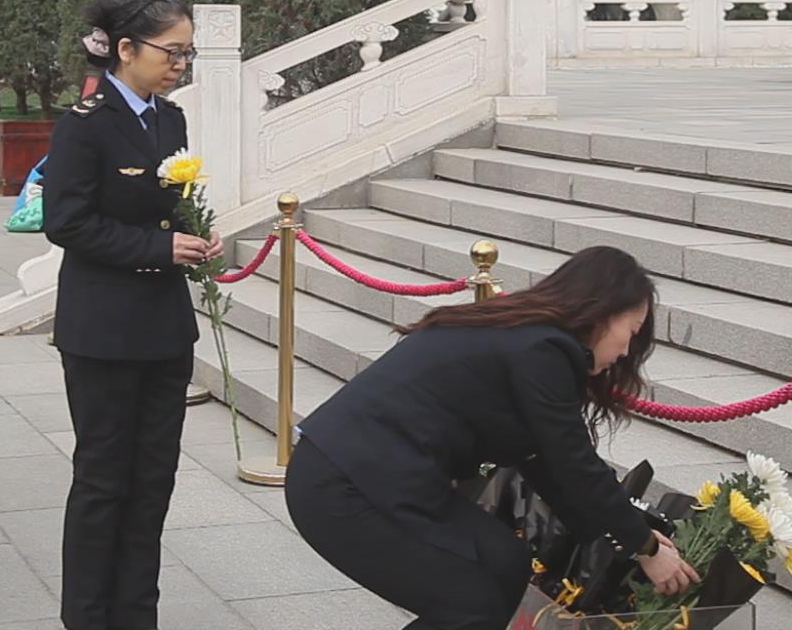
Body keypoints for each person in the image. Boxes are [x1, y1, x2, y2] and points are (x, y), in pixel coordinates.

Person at [285, 247, 699, 630]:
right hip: (344, 483)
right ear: (603, 312)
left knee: (505, 561)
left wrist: (628, 537)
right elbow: (573, 462)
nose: (627, 351)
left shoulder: (528, 337)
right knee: (470, 604)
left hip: (386, 475)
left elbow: (548, 466)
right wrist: (645, 548)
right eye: (632, 330)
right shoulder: (542, 350)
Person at [45, 0, 221, 630]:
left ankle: (137, 613)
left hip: (163, 327)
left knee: (153, 479)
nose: (179, 64)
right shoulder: (84, 124)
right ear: (125, 49)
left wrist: (196, 235)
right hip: (103, 329)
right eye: (170, 52)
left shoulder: (168, 120)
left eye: (187, 53)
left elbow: (168, 206)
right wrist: (157, 247)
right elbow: (67, 222)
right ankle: (89, 616)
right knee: (103, 479)